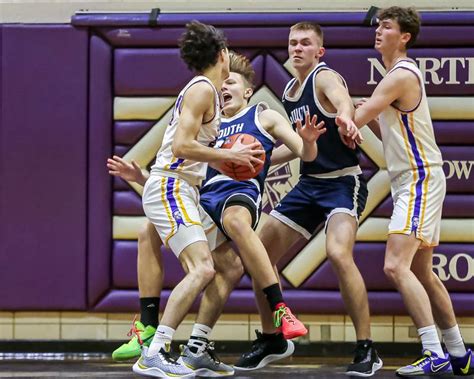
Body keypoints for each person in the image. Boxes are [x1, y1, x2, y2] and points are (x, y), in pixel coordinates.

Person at [109, 51, 326, 376]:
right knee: (154, 234)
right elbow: (186, 165)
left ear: (248, 90)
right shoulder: (212, 124)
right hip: (202, 198)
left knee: (234, 223)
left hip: (238, 195)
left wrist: (308, 143)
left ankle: (279, 307)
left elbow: (303, 153)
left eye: (231, 83)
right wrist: (142, 177)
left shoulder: (262, 116)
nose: (223, 87)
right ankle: (167, 333)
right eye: (221, 83)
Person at [234, 22, 383, 377]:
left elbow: (342, 100)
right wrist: (262, 162)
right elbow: (301, 147)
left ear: (320, 51)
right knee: (258, 254)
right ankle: (272, 337)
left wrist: (346, 118)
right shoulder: (289, 90)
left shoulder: (324, 76)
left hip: (342, 183)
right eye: (292, 43)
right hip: (309, 184)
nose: (297, 48)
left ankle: (366, 347)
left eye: (305, 43)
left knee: (337, 253)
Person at [341, 6, 473, 377]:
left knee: (394, 266)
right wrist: (349, 112)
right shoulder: (392, 77)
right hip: (413, 179)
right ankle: (460, 353)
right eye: (378, 26)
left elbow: (358, 118)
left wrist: (341, 115)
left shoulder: (400, 74)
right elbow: (369, 116)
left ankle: (434, 352)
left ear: (405, 37)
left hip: (418, 178)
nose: (378, 31)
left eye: (387, 26)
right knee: (423, 272)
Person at [130, 21, 264, 378]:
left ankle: (197, 348)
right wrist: (230, 158)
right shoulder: (203, 88)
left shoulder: (206, 90)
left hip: (185, 189)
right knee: (202, 268)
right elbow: (180, 146)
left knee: (230, 265)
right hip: (171, 187)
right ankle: (154, 352)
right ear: (222, 55)